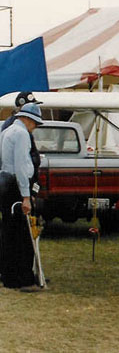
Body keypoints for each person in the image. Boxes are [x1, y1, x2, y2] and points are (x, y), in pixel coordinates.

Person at [0, 103, 44, 291]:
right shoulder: (21, 134)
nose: (34, 127)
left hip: (6, 184)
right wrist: (26, 196)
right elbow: (20, 167)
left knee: (9, 232)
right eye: (35, 123)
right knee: (21, 235)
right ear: (28, 119)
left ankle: (10, 275)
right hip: (16, 187)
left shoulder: (7, 131)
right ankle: (22, 277)